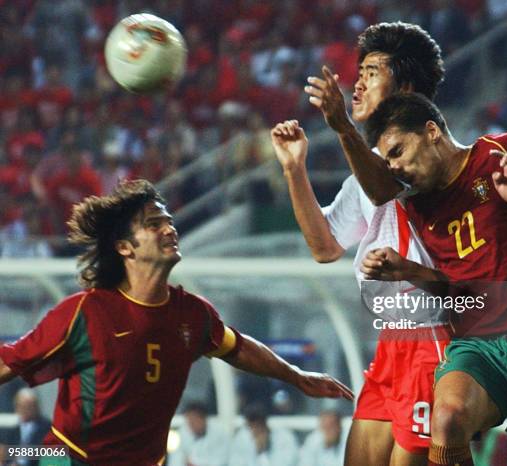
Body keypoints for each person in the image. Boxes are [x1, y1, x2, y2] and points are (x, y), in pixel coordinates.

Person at [0, 179, 353, 466]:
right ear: (125, 247)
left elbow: (238, 347)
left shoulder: (192, 314)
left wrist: (297, 376)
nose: (169, 228)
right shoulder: (84, 312)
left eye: (169, 220)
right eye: (154, 224)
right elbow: (11, 361)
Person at [349, 92, 507, 466]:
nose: (395, 168)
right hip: (479, 344)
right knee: (448, 416)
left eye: (397, 151)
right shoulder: (421, 207)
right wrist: (408, 271)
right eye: (387, 162)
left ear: (431, 131)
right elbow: (457, 289)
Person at [273, 21, 447, 466]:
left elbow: (386, 188)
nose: (359, 82)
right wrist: (295, 170)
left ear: (406, 85)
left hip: (435, 338)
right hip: (393, 342)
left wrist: (342, 127)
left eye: (373, 71)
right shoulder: (364, 175)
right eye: (361, 70)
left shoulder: (430, 148)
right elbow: (324, 246)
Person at [228, 403, 299, 466]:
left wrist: (263, 452)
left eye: (258, 427)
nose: (254, 431)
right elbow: (235, 462)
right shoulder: (242, 438)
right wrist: (258, 452)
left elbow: (289, 462)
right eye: (250, 427)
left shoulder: (285, 437)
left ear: (265, 423)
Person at [0, 388, 51, 466]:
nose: (25, 410)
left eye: (29, 406)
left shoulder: (47, 428)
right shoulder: (13, 430)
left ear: (36, 407)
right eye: (22, 406)